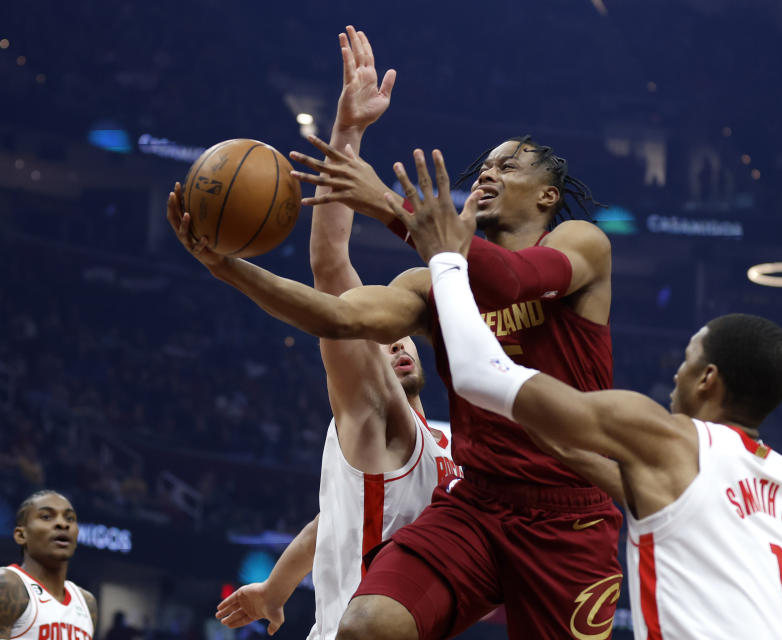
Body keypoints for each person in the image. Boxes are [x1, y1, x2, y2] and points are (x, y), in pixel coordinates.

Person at [169, 127, 624, 636]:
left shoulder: (582, 243)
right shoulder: (432, 286)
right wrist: (227, 268)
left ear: (548, 195)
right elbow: (336, 318)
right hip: (478, 504)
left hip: (568, 520)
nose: (489, 173)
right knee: (366, 626)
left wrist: (386, 204)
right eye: (484, 169)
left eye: (509, 166)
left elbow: (513, 280)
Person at [382, 155, 782, 639]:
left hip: (567, 529)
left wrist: (441, 253)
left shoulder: (663, 438)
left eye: (687, 359)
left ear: (707, 378)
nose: (675, 373)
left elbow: (481, 374)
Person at [209, 28, 457, 640]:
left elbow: (331, 520)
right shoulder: (376, 416)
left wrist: (274, 587)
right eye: (379, 337)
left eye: (403, 334)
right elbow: (331, 265)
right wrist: (348, 132)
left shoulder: (449, 443)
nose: (394, 342)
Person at [0, 490, 98, 640]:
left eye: (70, 518)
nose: (62, 524)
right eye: (46, 516)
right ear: (21, 535)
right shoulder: (8, 585)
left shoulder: (86, 602)